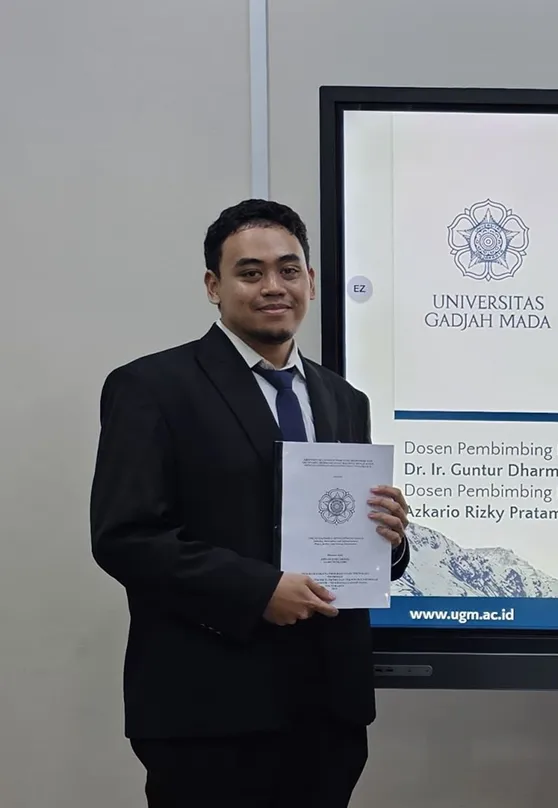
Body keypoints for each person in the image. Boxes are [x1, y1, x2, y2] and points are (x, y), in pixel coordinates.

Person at [89, 199, 411, 808]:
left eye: (289, 270)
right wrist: (258, 590)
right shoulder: (152, 387)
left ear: (310, 280)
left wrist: (388, 542)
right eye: (250, 272)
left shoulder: (344, 399)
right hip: (210, 712)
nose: (273, 287)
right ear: (214, 286)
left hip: (329, 713)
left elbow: (342, 533)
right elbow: (126, 538)